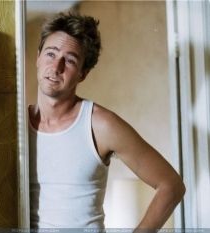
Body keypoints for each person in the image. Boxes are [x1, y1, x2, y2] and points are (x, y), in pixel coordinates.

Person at [28, 12, 186, 232]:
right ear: (38, 57)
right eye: (51, 54)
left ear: (83, 74)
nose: (56, 67)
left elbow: (171, 185)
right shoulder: (16, 125)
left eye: (70, 60)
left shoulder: (100, 125)